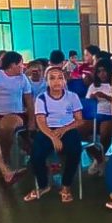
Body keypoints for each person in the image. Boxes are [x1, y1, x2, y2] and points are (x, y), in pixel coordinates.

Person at [23, 66, 83, 203]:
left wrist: (63, 130)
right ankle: (43, 185)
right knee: (36, 155)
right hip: (47, 130)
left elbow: (79, 120)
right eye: (52, 78)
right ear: (47, 81)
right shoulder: (41, 98)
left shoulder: (72, 97)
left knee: (75, 151)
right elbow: (41, 121)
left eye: (60, 78)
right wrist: (53, 137)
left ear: (64, 81)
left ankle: (66, 186)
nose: (57, 81)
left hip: (68, 129)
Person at [84, 58, 112, 176]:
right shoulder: (93, 86)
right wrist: (93, 98)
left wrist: (106, 97)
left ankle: (98, 160)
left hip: (110, 115)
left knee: (105, 132)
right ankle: (99, 158)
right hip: (93, 115)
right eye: (99, 71)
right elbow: (87, 103)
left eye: (104, 71)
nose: (102, 74)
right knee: (78, 132)